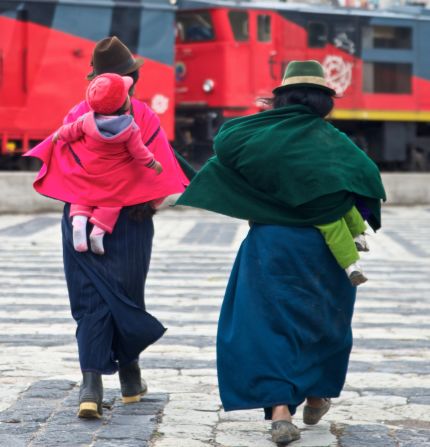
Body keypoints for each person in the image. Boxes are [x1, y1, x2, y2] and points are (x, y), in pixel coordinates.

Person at [177, 60, 386, 445]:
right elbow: (367, 178)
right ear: (324, 101)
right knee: (324, 322)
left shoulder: (254, 136)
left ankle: (279, 412)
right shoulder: (334, 142)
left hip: (270, 245)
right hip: (325, 252)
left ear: (283, 97)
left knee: (266, 325)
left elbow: (224, 146)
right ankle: (317, 393)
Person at [26, 36, 193, 419]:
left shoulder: (76, 115)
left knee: (88, 301)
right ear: (131, 79)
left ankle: (91, 386)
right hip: (130, 220)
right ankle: (131, 379)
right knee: (126, 296)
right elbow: (159, 167)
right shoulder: (143, 116)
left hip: (78, 220)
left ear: (95, 81)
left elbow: (60, 158)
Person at [50, 73, 163, 255]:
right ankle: (98, 232)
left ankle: (79, 221)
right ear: (123, 103)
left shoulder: (87, 119)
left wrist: (58, 134)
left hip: (88, 171)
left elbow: (70, 131)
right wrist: (152, 163)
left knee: (82, 196)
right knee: (112, 202)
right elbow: (139, 151)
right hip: (113, 179)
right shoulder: (130, 128)